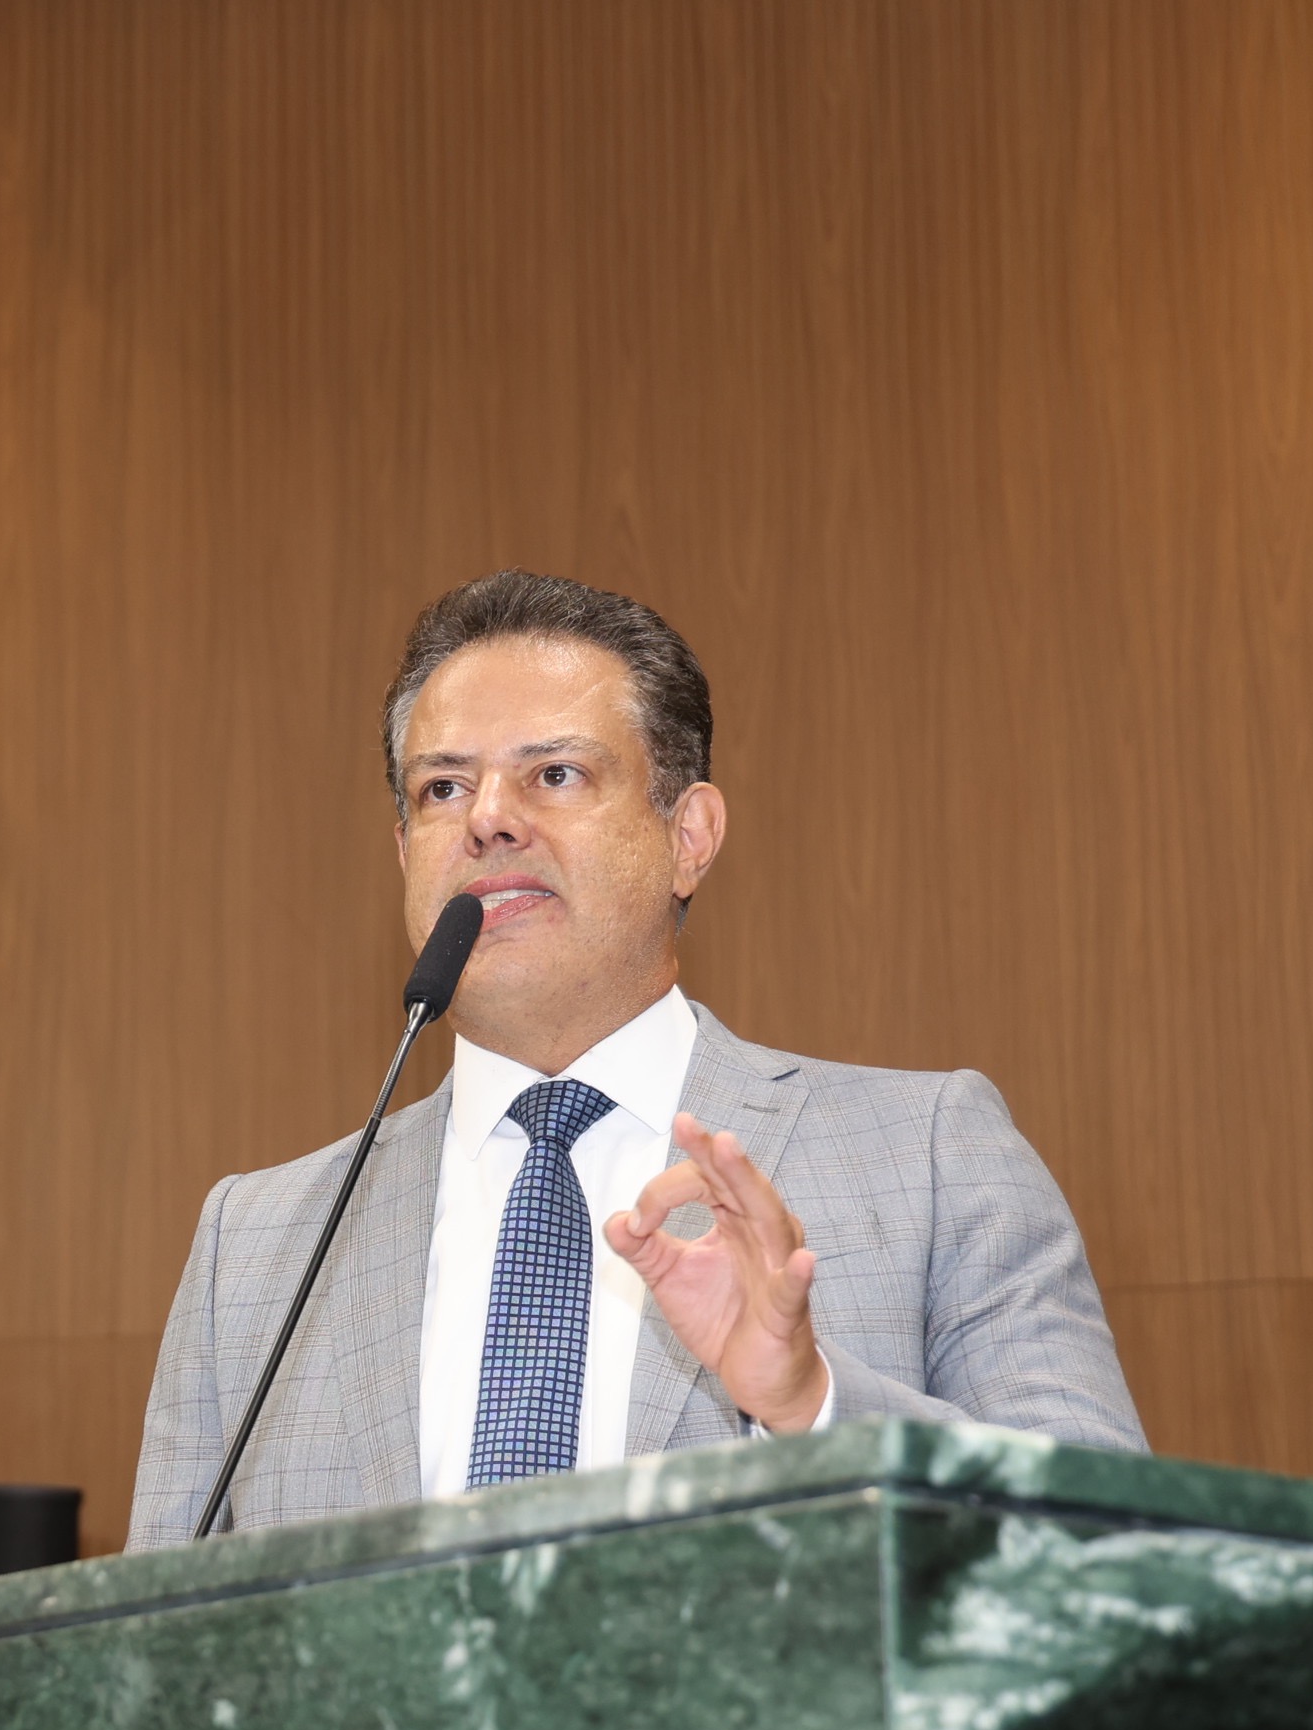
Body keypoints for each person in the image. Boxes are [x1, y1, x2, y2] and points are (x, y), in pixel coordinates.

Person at [129, 570, 1145, 1545]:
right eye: (442, 787)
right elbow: (155, 1641)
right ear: (404, 853)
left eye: (555, 774)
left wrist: (814, 1405)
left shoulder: (928, 1156)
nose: (488, 817)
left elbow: (1114, 1552)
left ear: (688, 835)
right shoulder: (254, 1247)